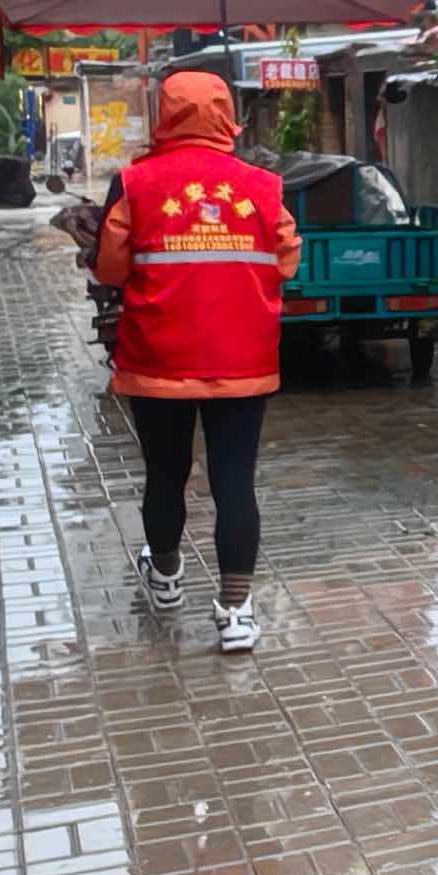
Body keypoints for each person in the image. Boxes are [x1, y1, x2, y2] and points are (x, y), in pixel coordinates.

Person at [93, 71, 300, 651]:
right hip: (243, 359)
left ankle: (165, 578)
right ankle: (236, 613)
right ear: (227, 115)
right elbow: (286, 260)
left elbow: (110, 269)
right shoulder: (263, 186)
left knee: (166, 473)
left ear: (164, 114)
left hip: (159, 359)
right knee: (235, 482)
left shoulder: (134, 184)